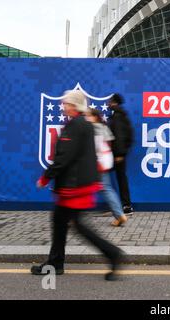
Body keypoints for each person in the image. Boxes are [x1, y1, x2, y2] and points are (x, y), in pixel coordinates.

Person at [31, 90, 123, 281]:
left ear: (74, 105)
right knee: (60, 222)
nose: (63, 106)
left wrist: (46, 177)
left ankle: (113, 254)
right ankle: (55, 263)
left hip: (74, 187)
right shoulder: (84, 124)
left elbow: (64, 157)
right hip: (78, 184)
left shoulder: (75, 126)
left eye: (66, 103)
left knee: (78, 226)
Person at [86, 109, 128, 227]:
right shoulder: (104, 127)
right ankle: (119, 215)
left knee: (79, 188)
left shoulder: (91, 129)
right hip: (103, 163)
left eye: (87, 115)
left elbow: (93, 147)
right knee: (107, 189)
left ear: (94, 117)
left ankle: (71, 217)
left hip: (94, 163)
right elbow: (110, 144)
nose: (86, 117)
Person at [108, 93, 134, 215]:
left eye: (110, 101)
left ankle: (124, 206)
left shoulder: (117, 117)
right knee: (119, 178)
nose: (108, 103)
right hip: (118, 154)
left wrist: (119, 154)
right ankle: (123, 205)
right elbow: (128, 136)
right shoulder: (120, 116)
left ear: (114, 102)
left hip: (117, 155)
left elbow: (119, 136)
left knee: (108, 180)